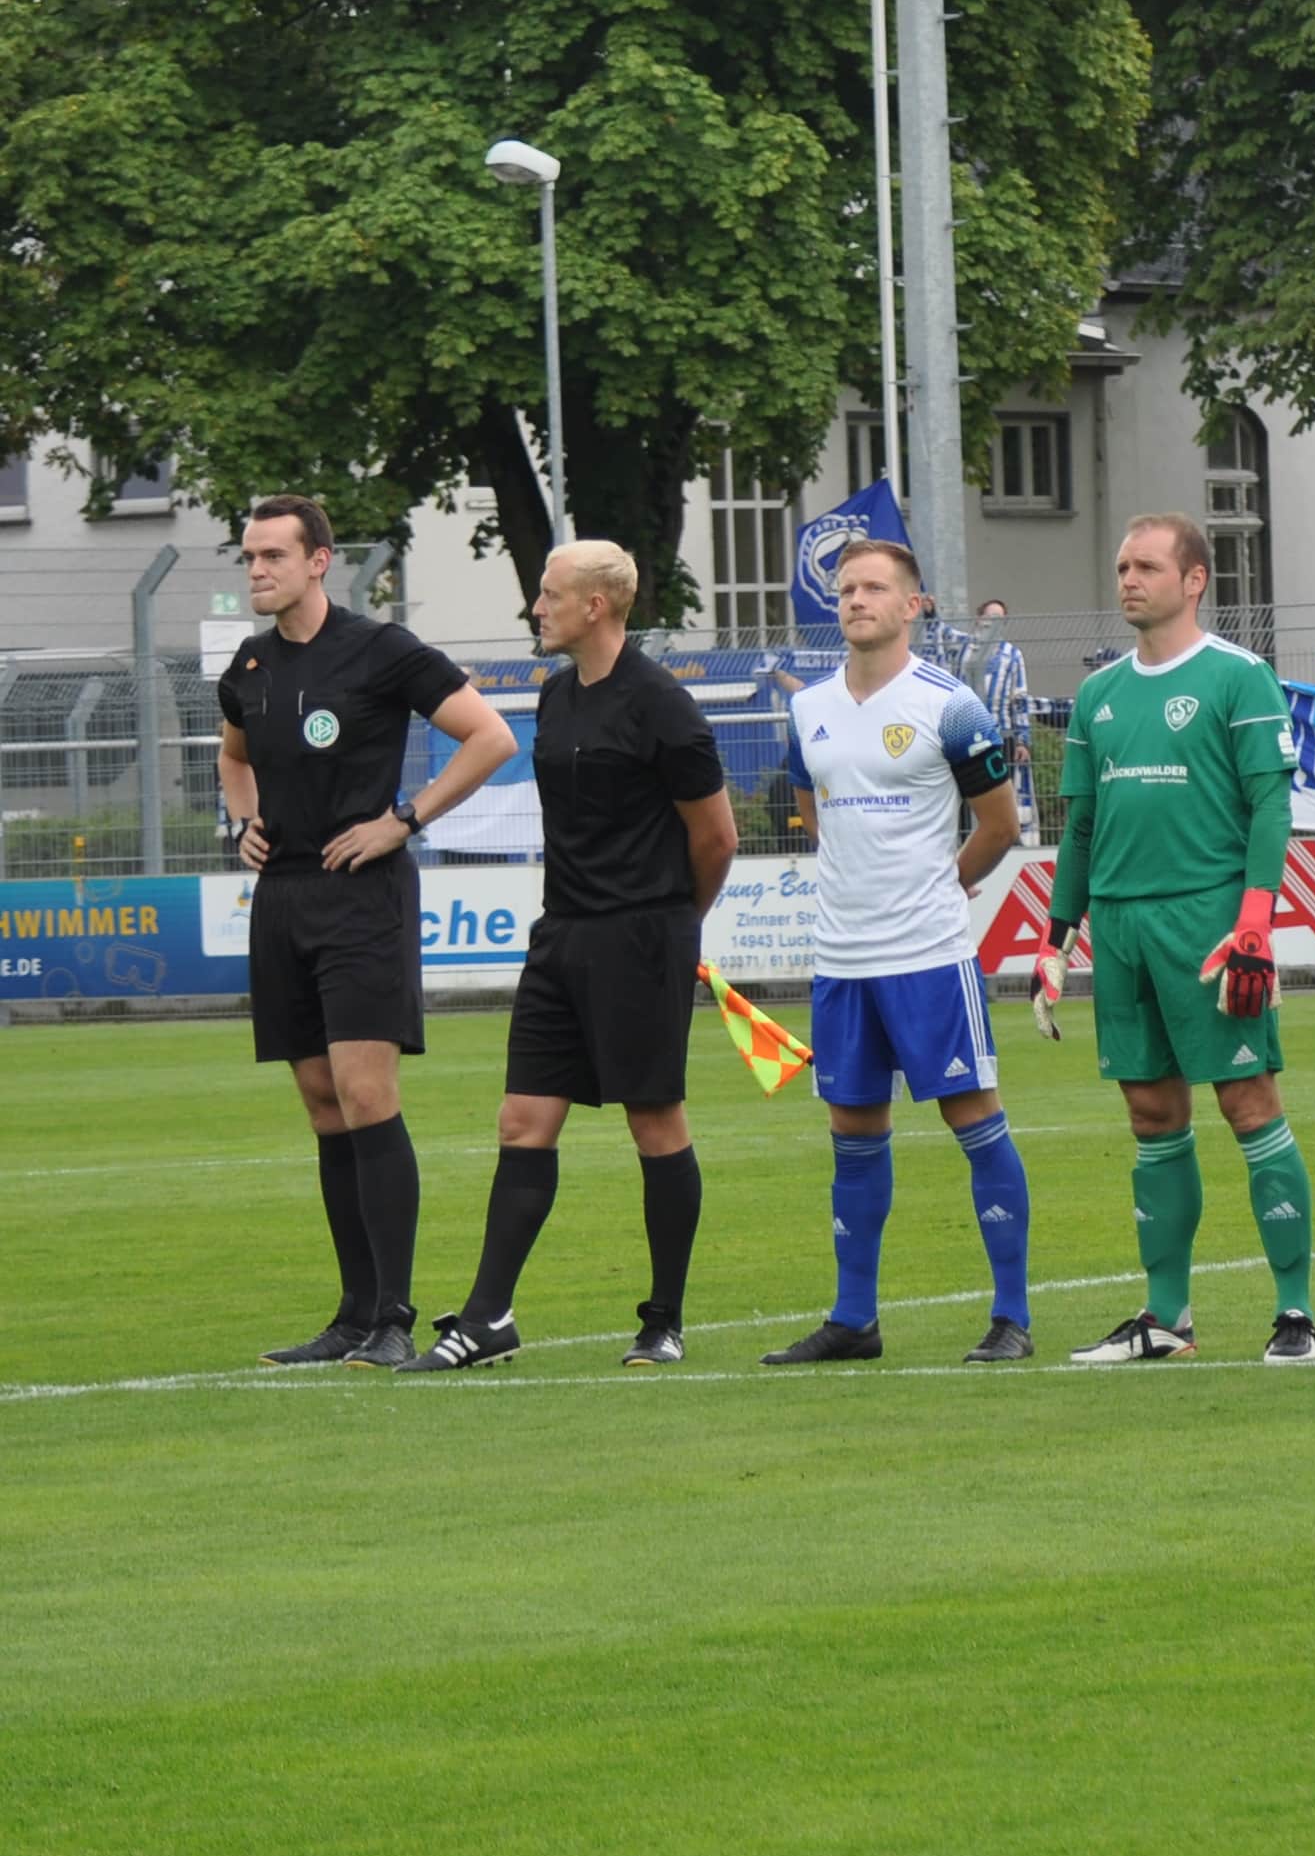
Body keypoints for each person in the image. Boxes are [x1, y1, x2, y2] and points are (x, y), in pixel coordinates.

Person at [410, 540, 735, 1369]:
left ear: (597, 606)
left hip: (643, 937)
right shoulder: (554, 698)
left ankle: (663, 1320)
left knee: (654, 1123)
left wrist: (669, 924)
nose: (536, 607)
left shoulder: (663, 706)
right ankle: (487, 1318)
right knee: (522, 1120)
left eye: (550, 594)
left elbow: (717, 837)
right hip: (560, 936)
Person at [218, 495, 516, 1368]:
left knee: (365, 1091)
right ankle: (351, 1316)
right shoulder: (248, 664)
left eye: (273, 555)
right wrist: (241, 824)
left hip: (363, 896)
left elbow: (489, 736)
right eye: (248, 557)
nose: (257, 571)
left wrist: (404, 819)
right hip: (285, 900)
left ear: (320, 561)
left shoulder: (380, 648)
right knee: (321, 1102)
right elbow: (234, 758)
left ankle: (393, 1315)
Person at [1033, 513, 1315, 1364]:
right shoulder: (1098, 695)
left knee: (1248, 1103)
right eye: (1122, 566)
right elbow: (1080, 826)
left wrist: (1255, 924)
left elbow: (1271, 805)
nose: (1128, 579)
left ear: (1194, 580)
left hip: (1208, 920)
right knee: (1151, 1112)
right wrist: (1056, 938)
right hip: (1118, 924)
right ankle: (1167, 1319)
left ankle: (1295, 1315)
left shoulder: (1239, 677)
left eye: (1147, 566)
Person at [757, 537, 1038, 1365]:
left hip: (928, 953)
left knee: (973, 1118)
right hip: (841, 956)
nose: (856, 600)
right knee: (852, 1126)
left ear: (912, 606)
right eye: (846, 589)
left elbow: (1001, 827)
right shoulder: (808, 707)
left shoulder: (951, 705)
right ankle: (854, 1320)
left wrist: (939, 885)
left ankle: (1011, 1316)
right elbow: (808, 800)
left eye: (875, 588)